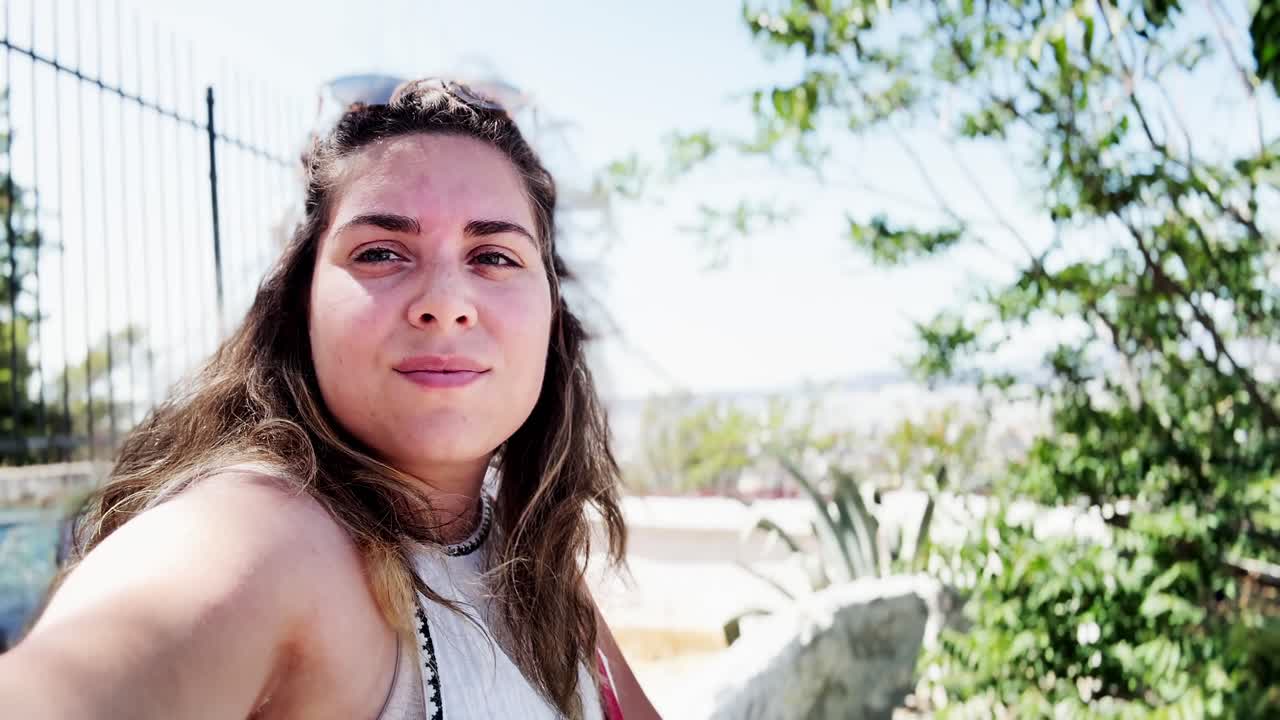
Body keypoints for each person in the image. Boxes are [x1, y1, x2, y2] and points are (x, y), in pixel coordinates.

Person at [0, 78, 660, 720]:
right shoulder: (261, 535)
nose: (445, 303)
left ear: (552, 320)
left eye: (493, 256)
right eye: (380, 252)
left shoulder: (531, 555)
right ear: (301, 304)